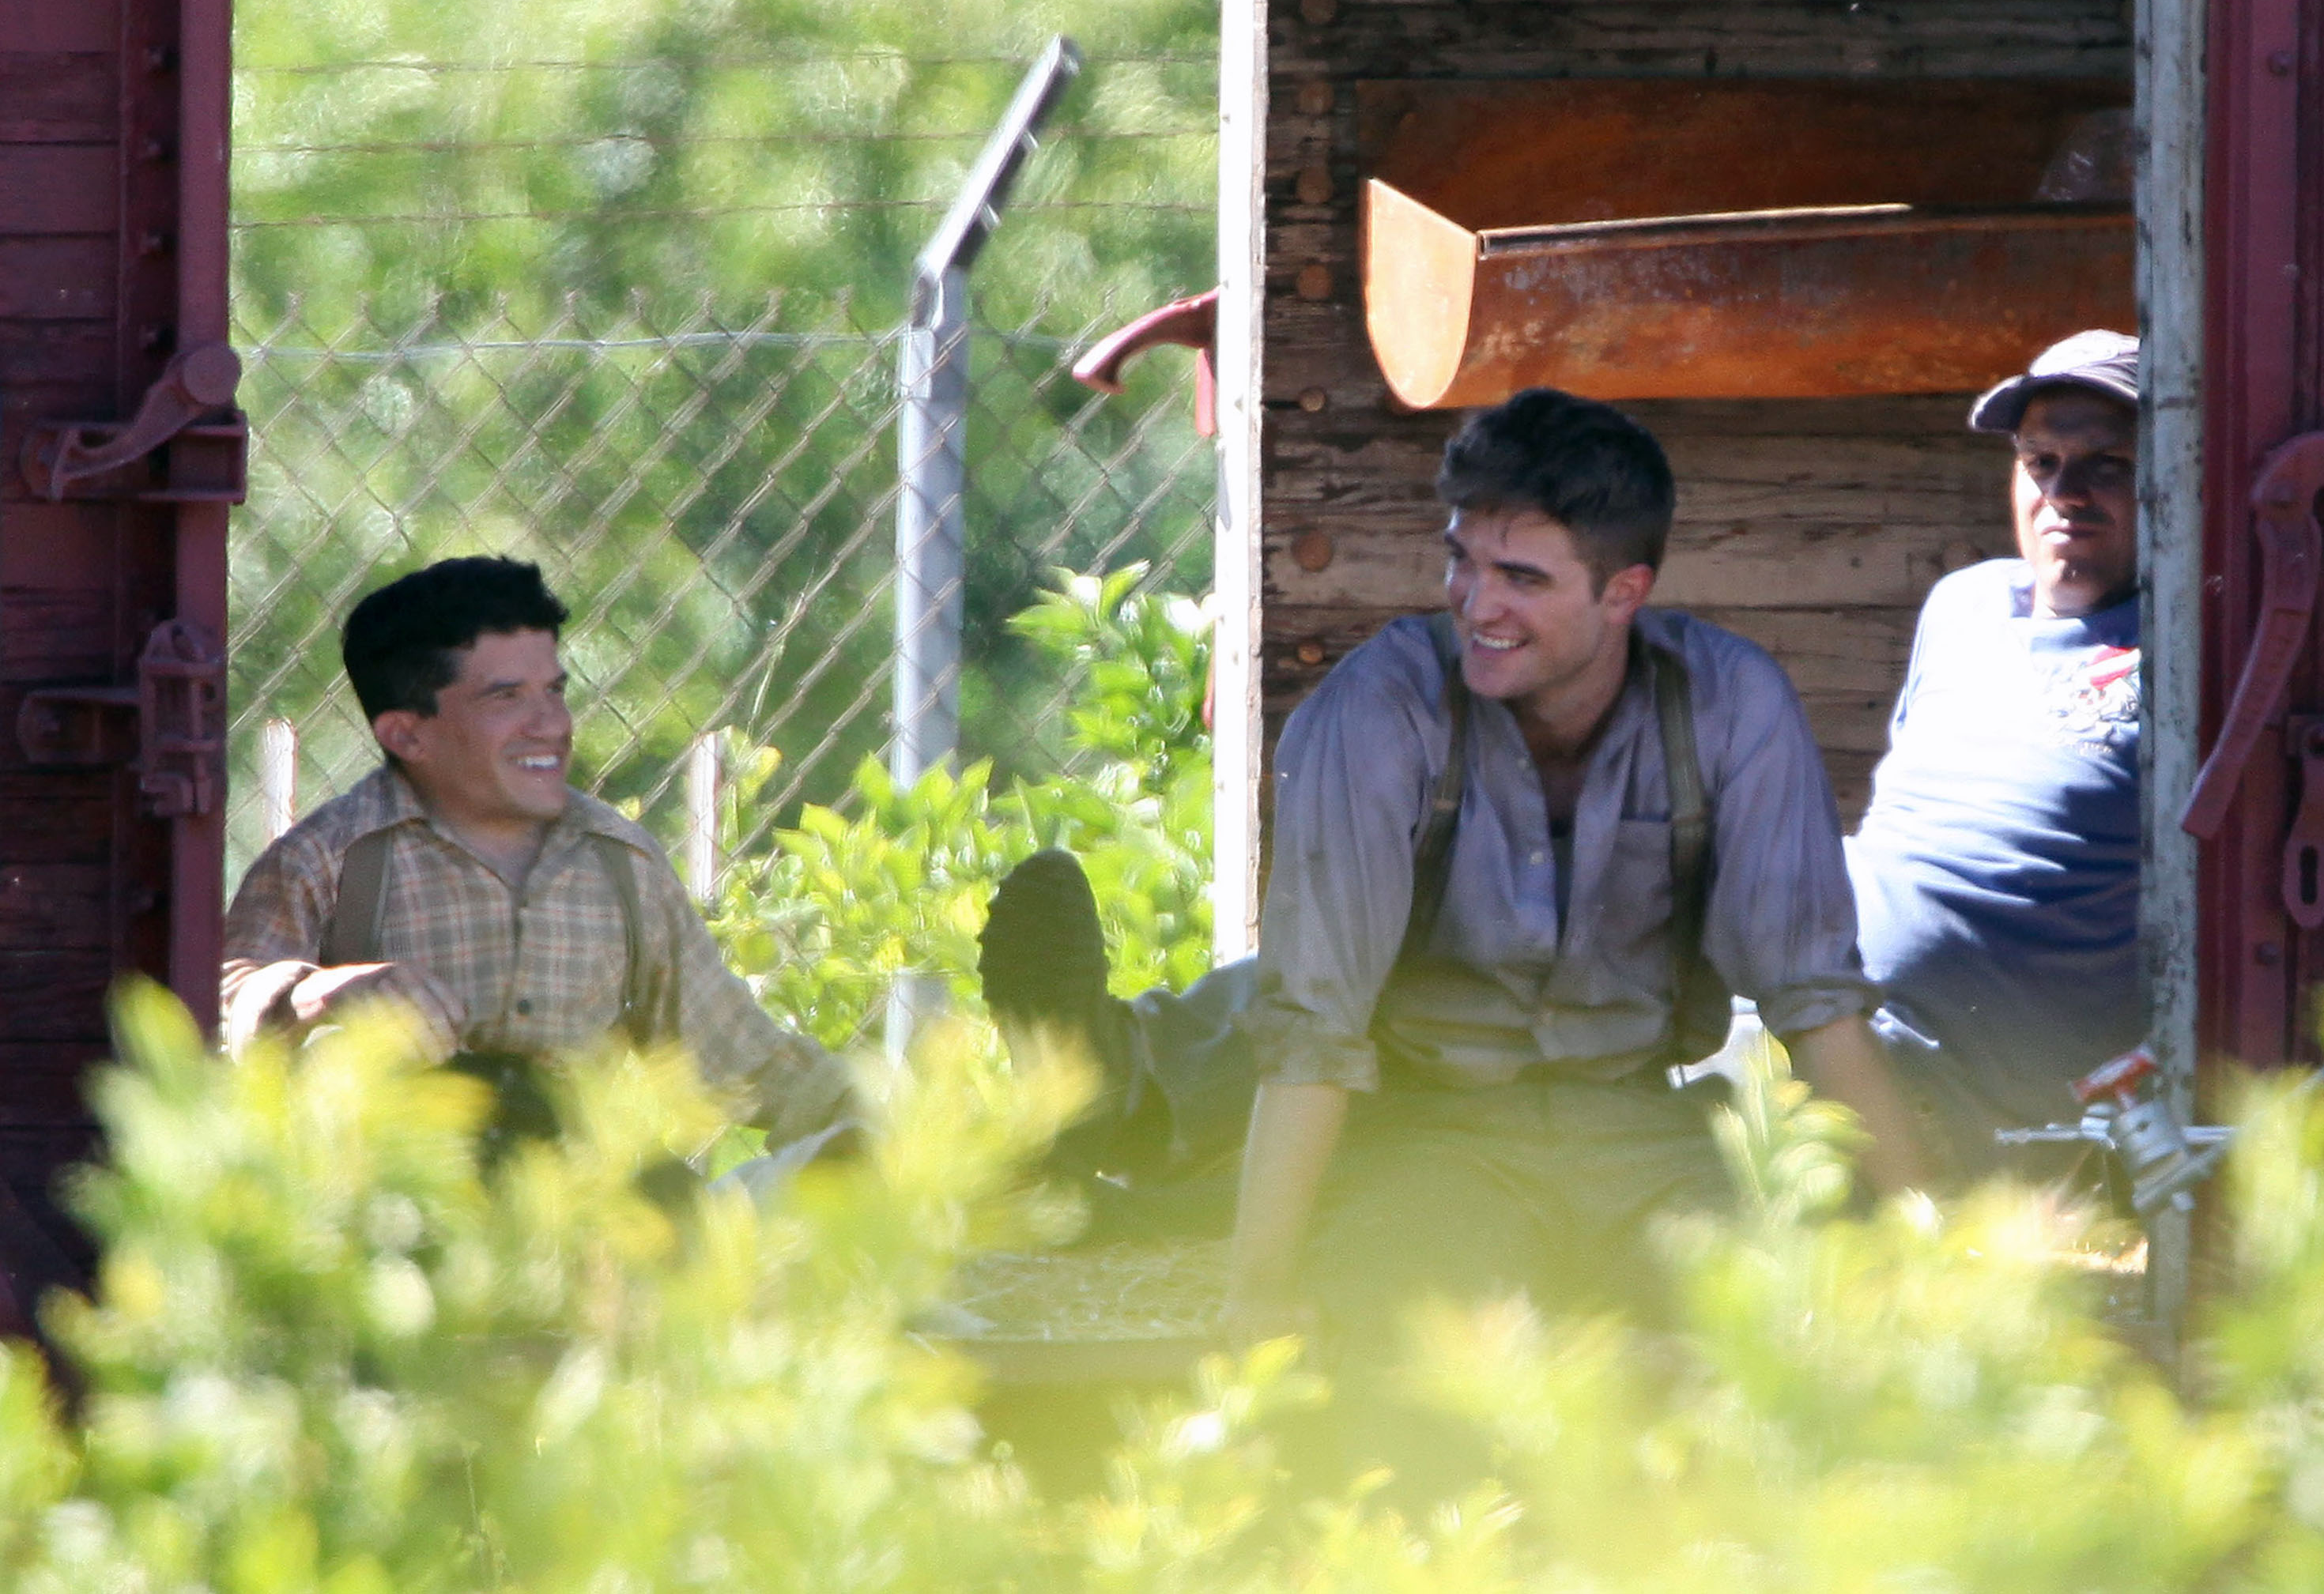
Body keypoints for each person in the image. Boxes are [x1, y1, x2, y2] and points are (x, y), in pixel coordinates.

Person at [981, 390, 1928, 1351]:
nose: (1478, 603)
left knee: (1785, 1303)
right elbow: (1314, 1029)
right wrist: (1257, 1293)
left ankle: (1116, 1119)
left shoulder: (1729, 705)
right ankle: (1108, 1095)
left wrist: (1930, 1257)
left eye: (1521, 577)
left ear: (1624, 593)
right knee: (1400, 1303)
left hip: (1644, 1125)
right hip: (1425, 1114)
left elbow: (1816, 1002)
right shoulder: (1377, 712)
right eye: (1461, 560)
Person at [221, 556, 854, 1153]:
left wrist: (865, 1111)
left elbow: (737, 1056)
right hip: (394, 1196)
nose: (551, 724)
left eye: (554, 691)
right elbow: (224, 1002)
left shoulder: (618, 863)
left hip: (574, 1202)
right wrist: (324, 992)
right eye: (507, 698)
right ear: (408, 734)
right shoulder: (333, 860)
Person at [1845, 330, 2143, 1175]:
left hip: (1979, 1089)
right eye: (2041, 462)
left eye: (2108, 465)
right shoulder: (1964, 604)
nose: (2065, 493)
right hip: (1828, 1010)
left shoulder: (2190, 649)